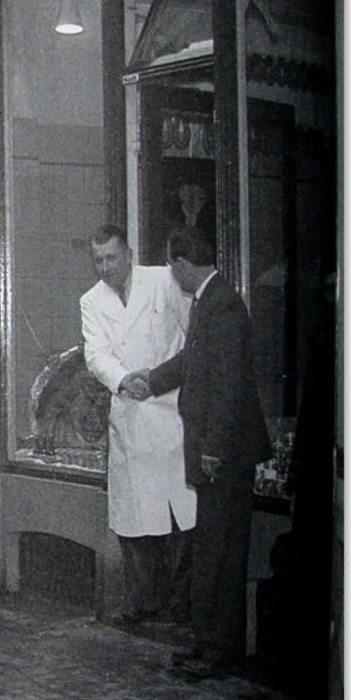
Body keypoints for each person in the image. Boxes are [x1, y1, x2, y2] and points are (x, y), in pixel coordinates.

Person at [134, 225, 272, 680]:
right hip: (214, 450)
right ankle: (207, 642)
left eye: (173, 267)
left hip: (224, 454)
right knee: (212, 550)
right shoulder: (209, 302)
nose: (173, 276)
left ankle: (220, 650)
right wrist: (150, 379)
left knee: (223, 552)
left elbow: (230, 385)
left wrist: (213, 449)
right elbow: (192, 363)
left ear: (181, 264)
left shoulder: (224, 305)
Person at [79, 224, 195, 628]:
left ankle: (182, 606)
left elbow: (189, 333)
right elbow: (96, 355)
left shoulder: (164, 280)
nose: (105, 267)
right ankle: (144, 602)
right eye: (98, 260)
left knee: (181, 516)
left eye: (111, 257)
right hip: (130, 411)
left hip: (171, 409)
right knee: (135, 520)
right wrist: (124, 379)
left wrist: (160, 378)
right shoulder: (91, 301)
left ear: (128, 253)